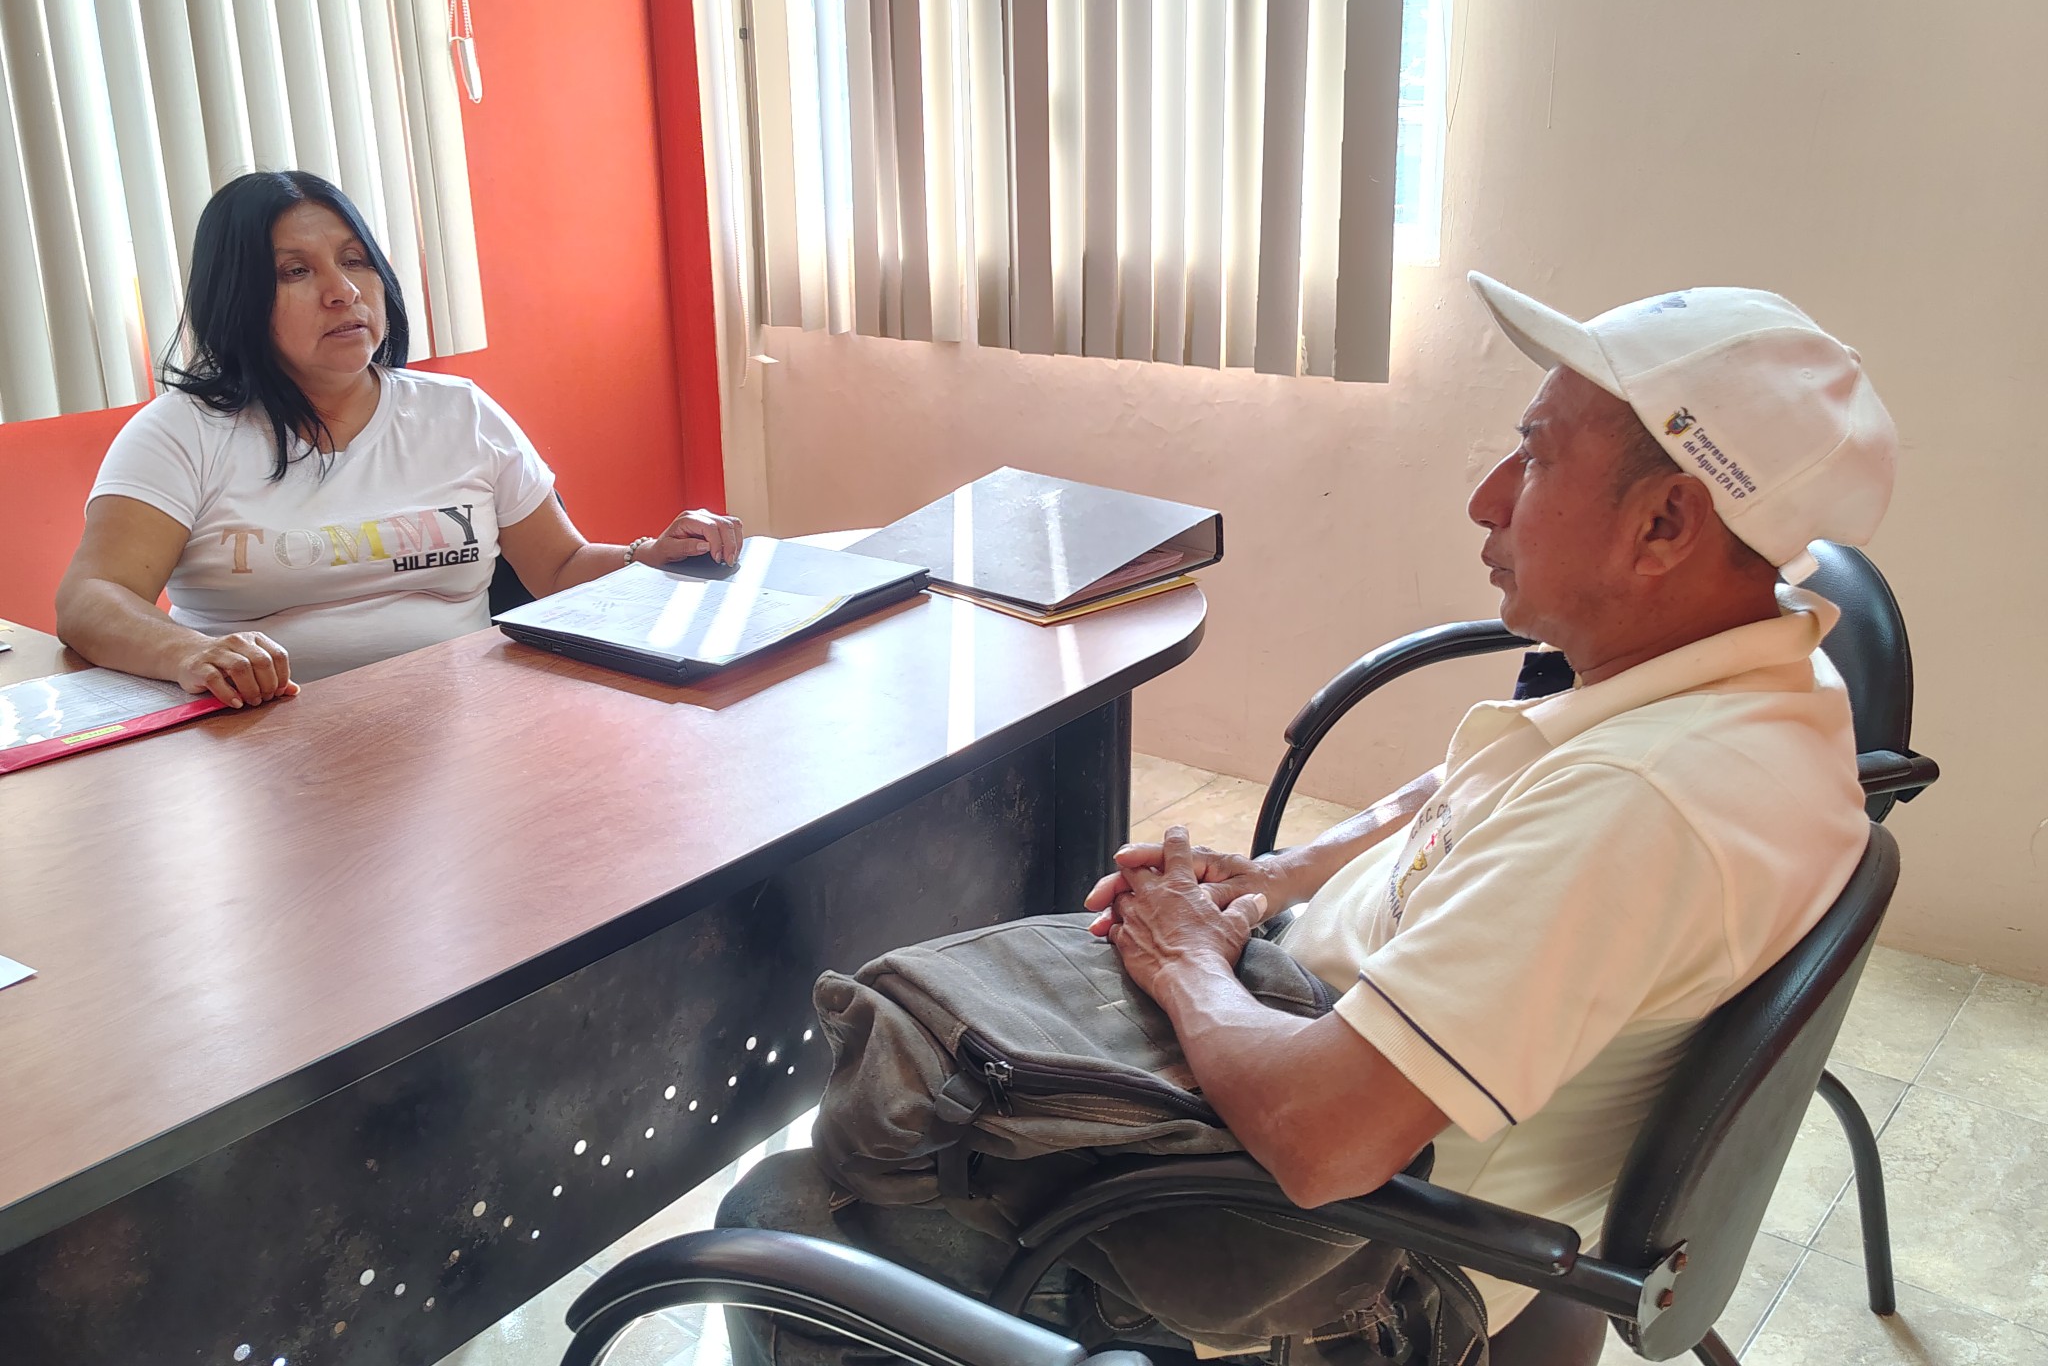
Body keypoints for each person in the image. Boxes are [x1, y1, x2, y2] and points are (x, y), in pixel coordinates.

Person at [716, 273, 1897, 1361]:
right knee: (966, 1073)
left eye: (1534, 458)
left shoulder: (1641, 806)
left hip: (1362, 1268)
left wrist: (1188, 964)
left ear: (1664, 526)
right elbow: (1469, 785)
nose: (1485, 496)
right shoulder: (1756, 677)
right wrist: (1282, 874)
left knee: (785, 1217)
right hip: (1336, 1082)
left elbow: (1322, 1140)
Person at [55, 170, 740, 702]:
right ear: (236, 298)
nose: (343, 291)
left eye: (355, 261)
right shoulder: (181, 432)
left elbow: (560, 569)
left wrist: (652, 556)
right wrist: (192, 654)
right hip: (264, 741)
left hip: (466, 728)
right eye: (296, 271)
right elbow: (90, 598)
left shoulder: (459, 412)